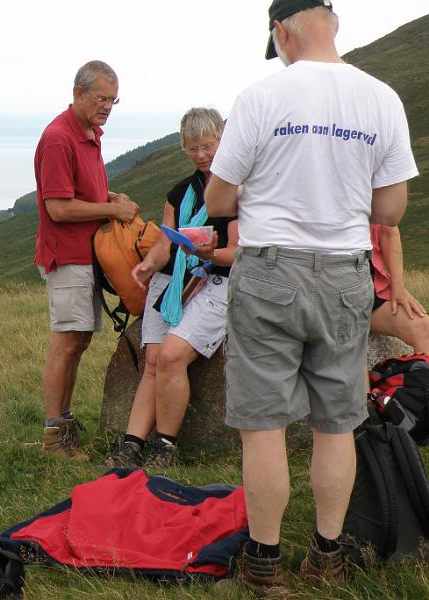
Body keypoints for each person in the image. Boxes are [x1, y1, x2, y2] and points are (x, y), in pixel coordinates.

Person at [205, 1, 418, 595]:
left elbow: (219, 202)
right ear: (334, 24)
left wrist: (261, 186)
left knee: (264, 425)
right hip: (346, 274)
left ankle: (264, 569)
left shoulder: (261, 97)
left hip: (270, 270)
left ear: (281, 32)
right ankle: (326, 557)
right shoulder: (381, 98)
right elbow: (390, 210)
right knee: (335, 424)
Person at [109, 107, 238, 469]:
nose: (201, 155)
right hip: (173, 279)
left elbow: (240, 253)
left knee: (169, 355)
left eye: (208, 146)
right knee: (153, 360)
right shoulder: (179, 193)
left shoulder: (237, 191)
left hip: (214, 279)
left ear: (222, 140)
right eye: (193, 148)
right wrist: (149, 264)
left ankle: (166, 446)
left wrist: (208, 252)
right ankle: (132, 444)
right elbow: (165, 242)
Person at [34, 60, 138, 461]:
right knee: (66, 342)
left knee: (78, 340)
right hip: (68, 255)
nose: (108, 107)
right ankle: (53, 436)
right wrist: (112, 213)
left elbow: (82, 194)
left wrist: (110, 200)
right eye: (101, 98)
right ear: (78, 93)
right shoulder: (59, 138)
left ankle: (63, 425)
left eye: (113, 100)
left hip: (87, 255)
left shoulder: (89, 134)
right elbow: (58, 208)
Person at [370, 224, 429, 353]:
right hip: (326, 283)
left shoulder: (375, 203)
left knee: (423, 328)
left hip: (370, 285)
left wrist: (398, 287)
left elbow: (388, 231)